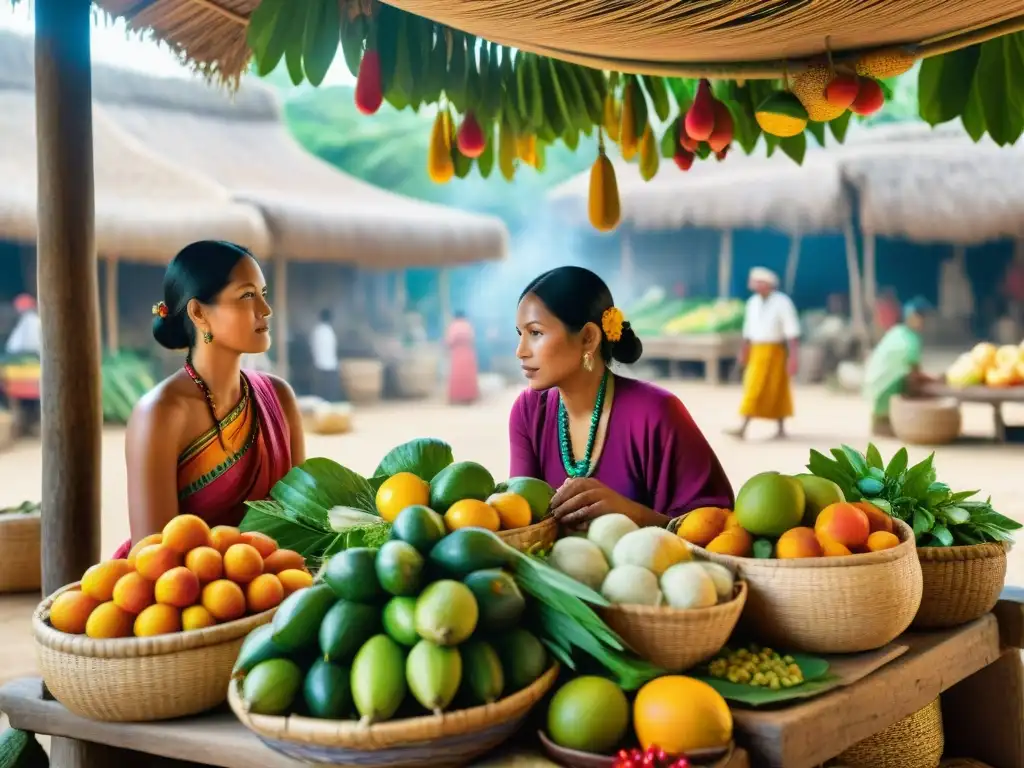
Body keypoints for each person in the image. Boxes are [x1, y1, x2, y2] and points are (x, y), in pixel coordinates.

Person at [114, 241, 305, 558]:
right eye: (247, 295)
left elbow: (302, 517)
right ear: (199, 312)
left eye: (263, 294)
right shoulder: (160, 413)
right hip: (182, 597)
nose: (265, 309)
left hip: (273, 587)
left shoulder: (279, 398)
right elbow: (153, 558)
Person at [510, 266, 734, 530]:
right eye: (520, 334)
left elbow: (719, 527)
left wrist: (630, 514)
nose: (520, 351)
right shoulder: (528, 411)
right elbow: (519, 518)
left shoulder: (656, 412)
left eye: (535, 333)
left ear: (588, 338)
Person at [728, 267, 801, 440]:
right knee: (753, 386)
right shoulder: (752, 302)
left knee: (778, 389)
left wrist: (793, 357)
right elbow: (748, 331)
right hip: (757, 350)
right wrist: (744, 350)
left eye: (758, 282)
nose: (754, 285)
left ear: (768, 284)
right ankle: (743, 427)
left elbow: (792, 332)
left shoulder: (782, 302)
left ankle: (780, 428)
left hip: (775, 350)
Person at [863, 297, 935, 437]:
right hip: (884, 393)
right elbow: (915, 372)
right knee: (916, 384)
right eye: (920, 316)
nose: (923, 321)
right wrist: (934, 380)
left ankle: (883, 419)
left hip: (873, 391)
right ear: (911, 317)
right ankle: (900, 421)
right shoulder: (910, 339)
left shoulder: (897, 332)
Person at [309, 308, 344, 402]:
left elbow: (312, 347)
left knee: (322, 390)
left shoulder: (317, 330)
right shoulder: (328, 331)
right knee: (330, 390)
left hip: (319, 364)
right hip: (330, 365)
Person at [446, 311, 480, 405]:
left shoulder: (453, 326)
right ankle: (469, 397)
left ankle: (456, 397)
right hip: (467, 351)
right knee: (468, 375)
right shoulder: (468, 325)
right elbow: (472, 339)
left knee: (457, 375)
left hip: (457, 353)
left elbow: (450, 340)